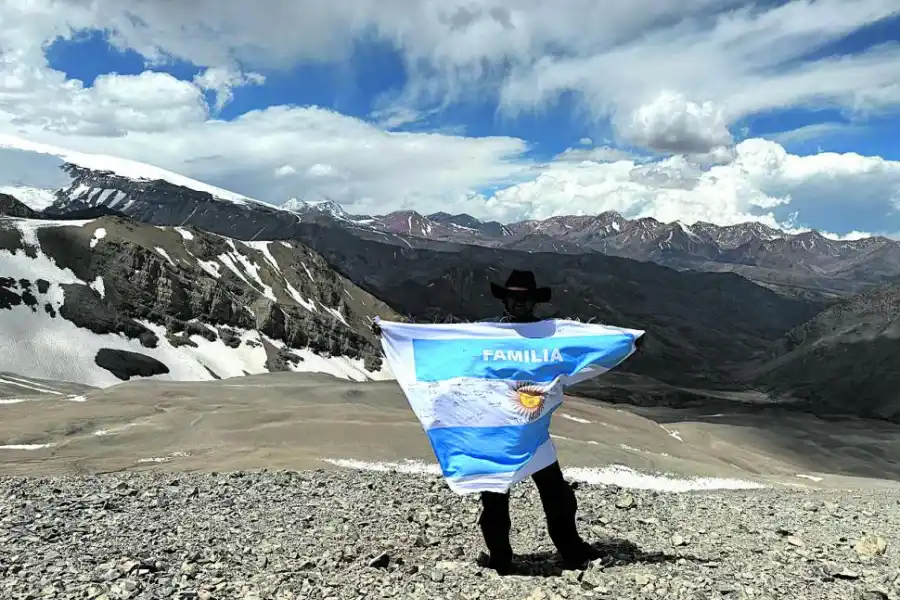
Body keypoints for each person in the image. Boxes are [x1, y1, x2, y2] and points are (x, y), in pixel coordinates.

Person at [372, 269, 643, 573]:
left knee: (558, 496)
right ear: (505, 300)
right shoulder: (487, 335)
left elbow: (587, 344)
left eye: (525, 297)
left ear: (534, 301)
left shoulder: (548, 335)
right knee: (495, 501)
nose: (519, 302)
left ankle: (572, 551)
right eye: (514, 297)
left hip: (533, 433)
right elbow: (445, 346)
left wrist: (628, 342)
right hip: (494, 435)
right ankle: (501, 560)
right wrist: (390, 333)